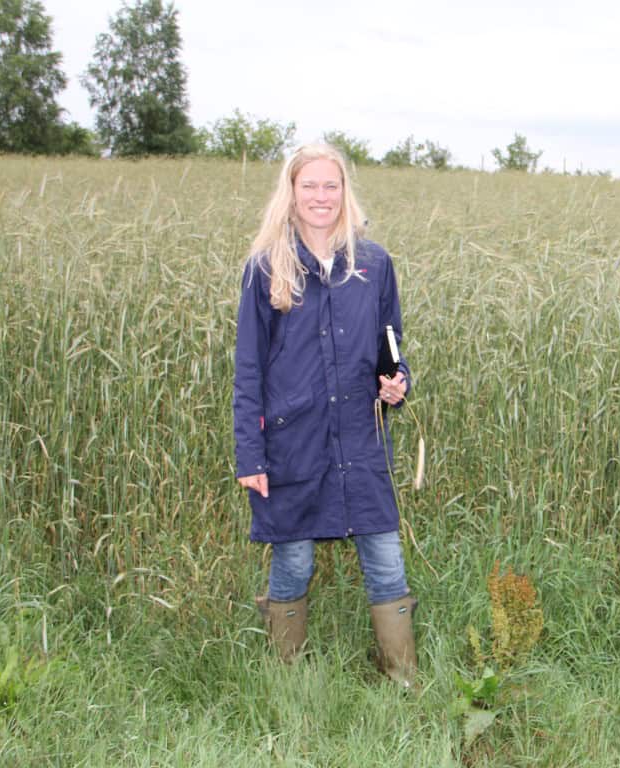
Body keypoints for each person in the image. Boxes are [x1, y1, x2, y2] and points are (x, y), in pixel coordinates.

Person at [233, 143, 417, 688]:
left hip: (361, 440)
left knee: (386, 561)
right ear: (291, 193)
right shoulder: (265, 267)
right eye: (309, 185)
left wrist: (397, 383)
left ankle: (403, 681)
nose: (321, 196)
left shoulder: (374, 264)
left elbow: (391, 348)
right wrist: (250, 455)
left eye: (330, 185)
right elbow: (249, 369)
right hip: (294, 443)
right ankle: (288, 680)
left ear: (344, 192)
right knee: (294, 561)